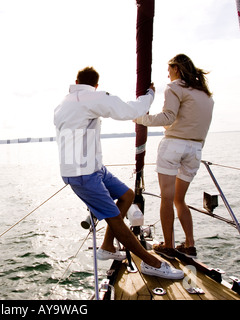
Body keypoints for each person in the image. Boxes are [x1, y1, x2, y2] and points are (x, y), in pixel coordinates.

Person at [54, 66, 184, 280]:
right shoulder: (90, 97)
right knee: (115, 220)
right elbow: (130, 111)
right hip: (84, 175)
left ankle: (107, 246)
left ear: (76, 80)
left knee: (127, 196)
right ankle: (152, 263)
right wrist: (149, 95)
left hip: (92, 169)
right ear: (96, 85)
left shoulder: (63, 103)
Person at [134, 54, 214, 259]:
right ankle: (189, 245)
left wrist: (139, 118)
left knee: (167, 198)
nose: (167, 74)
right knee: (180, 199)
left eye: (169, 69)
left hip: (173, 147)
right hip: (195, 150)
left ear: (176, 68)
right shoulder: (205, 95)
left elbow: (168, 117)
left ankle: (168, 245)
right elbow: (187, 121)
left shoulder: (174, 87)